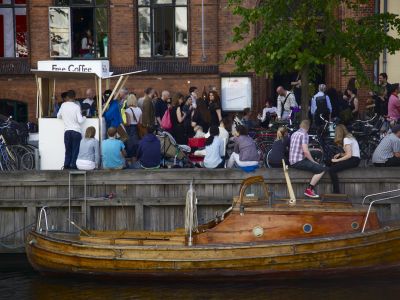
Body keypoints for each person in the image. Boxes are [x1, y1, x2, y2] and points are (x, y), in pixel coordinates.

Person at [289, 120, 325, 198]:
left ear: (300, 126)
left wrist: (313, 151)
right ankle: (309, 190)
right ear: (308, 127)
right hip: (299, 161)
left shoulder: (294, 134)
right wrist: (313, 162)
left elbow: (300, 148)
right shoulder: (304, 134)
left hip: (292, 160)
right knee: (321, 170)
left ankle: (315, 165)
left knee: (317, 152)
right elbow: (306, 152)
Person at [57, 89, 86, 169]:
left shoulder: (63, 105)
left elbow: (58, 116)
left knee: (68, 150)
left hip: (67, 131)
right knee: (75, 150)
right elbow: (80, 121)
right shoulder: (76, 106)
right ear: (74, 97)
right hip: (76, 131)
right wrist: (84, 117)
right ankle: (73, 165)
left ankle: (66, 165)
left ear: (67, 97)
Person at [328, 124, 360, 194]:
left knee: (332, 170)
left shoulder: (346, 139)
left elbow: (349, 155)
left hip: (353, 160)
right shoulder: (350, 137)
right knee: (333, 164)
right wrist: (340, 154)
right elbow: (350, 153)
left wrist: (337, 160)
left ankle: (336, 192)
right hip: (355, 159)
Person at [124, 94, 142, 160]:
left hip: (130, 129)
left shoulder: (127, 110)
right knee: (136, 144)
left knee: (130, 145)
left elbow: (128, 123)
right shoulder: (139, 109)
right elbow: (140, 122)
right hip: (137, 129)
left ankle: (132, 160)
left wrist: (124, 124)